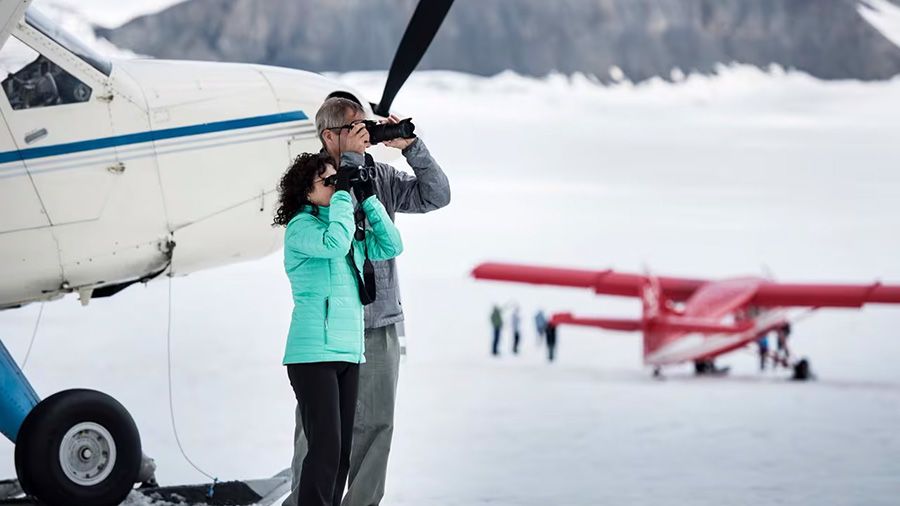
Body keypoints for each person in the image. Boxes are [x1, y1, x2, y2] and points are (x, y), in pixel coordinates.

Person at [284, 97, 450, 506]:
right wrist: (348, 170)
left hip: (378, 320)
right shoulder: (314, 182)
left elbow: (436, 195)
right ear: (329, 136)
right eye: (355, 127)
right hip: (329, 330)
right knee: (318, 434)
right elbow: (330, 239)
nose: (365, 133)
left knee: (376, 427)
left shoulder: (381, 176)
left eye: (367, 126)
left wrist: (411, 147)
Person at [273, 152, 403, 506]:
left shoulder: (343, 227)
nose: (335, 187)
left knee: (342, 452)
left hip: (348, 352)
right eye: (328, 182)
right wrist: (345, 195)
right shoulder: (301, 228)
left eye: (338, 180)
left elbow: (392, 245)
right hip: (312, 355)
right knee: (325, 447)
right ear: (306, 191)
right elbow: (335, 244)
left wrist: (369, 197)